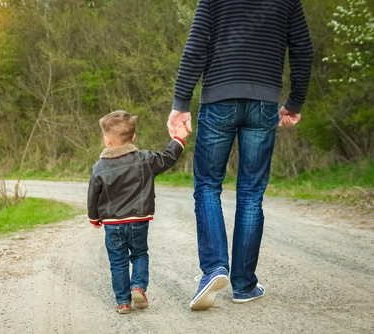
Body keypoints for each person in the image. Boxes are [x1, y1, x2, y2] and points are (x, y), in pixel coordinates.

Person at [167, 0, 313, 310]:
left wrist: (181, 102)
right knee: (251, 193)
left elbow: (196, 47)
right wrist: (295, 101)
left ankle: (215, 269)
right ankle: (244, 285)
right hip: (264, 103)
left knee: (207, 184)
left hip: (219, 97)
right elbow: (302, 49)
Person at [88, 110, 188, 314]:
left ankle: (123, 302)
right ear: (133, 137)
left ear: (107, 140)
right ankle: (138, 287)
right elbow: (168, 158)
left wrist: (94, 217)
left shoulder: (99, 167)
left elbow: (93, 195)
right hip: (139, 220)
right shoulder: (145, 159)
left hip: (112, 224)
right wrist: (178, 138)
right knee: (140, 254)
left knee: (118, 261)